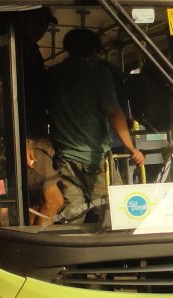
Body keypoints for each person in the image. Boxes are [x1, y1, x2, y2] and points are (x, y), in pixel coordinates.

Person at [46, 28, 145, 222]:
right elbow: (114, 113)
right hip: (95, 159)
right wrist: (131, 148)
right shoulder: (99, 74)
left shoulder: (53, 74)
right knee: (112, 213)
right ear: (94, 50)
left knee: (73, 214)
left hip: (64, 158)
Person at [15, 7, 64, 225]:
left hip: (38, 135)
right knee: (54, 201)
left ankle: (28, 249)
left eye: (45, 24)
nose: (41, 29)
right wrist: (21, 141)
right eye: (37, 22)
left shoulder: (32, 51)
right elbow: (4, 100)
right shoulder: (10, 51)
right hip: (28, 139)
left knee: (36, 204)